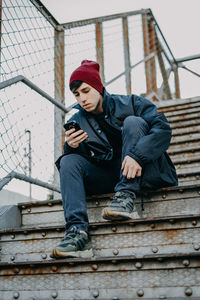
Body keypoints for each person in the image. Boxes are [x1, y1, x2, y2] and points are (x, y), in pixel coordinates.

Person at [50, 60, 178, 259]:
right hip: (111, 176)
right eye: (76, 94)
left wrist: (137, 155)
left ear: (98, 87)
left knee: (133, 122)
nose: (81, 98)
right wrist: (71, 147)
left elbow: (162, 129)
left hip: (148, 171)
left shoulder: (131, 103)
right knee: (68, 160)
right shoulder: (79, 121)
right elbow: (80, 164)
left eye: (85, 91)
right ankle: (77, 233)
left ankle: (126, 196)